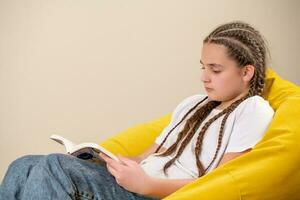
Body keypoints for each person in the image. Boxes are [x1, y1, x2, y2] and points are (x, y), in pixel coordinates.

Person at [0, 21, 274, 200]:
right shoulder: (193, 104)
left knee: (54, 166)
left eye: (215, 70)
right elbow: (148, 156)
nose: (204, 77)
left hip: (154, 194)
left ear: (247, 72)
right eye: (203, 67)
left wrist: (146, 185)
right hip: (139, 182)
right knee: (25, 164)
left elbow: (220, 185)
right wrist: (108, 161)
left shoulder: (253, 110)